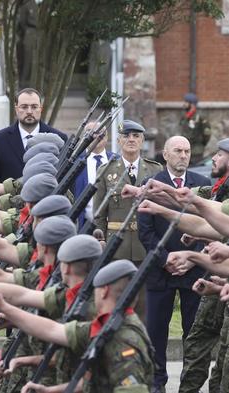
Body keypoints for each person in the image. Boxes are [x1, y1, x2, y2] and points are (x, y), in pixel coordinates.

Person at [0, 259, 155, 393]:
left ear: (104, 291)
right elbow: (52, 330)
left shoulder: (124, 342)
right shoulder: (108, 326)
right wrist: (50, 390)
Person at [137, 136, 210, 393]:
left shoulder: (202, 185)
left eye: (187, 151)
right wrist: (166, 258)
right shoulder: (152, 184)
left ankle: (189, 386)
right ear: (165, 155)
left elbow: (209, 228)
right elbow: (145, 232)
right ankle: (157, 384)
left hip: (193, 270)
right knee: (156, 332)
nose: (183, 155)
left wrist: (191, 259)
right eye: (177, 150)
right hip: (161, 270)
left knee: (193, 332)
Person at [93, 119, 162, 319]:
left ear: (142, 141)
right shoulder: (106, 170)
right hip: (117, 243)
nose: (131, 140)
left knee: (143, 301)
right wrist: (101, 239)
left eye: (136, 136)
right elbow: (99, 212)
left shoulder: (155, 170)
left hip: (145, 243)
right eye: (126, 136)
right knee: (116, 296)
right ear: (119, 141)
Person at [0, 88, 67, 183]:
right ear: (16, 109)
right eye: (24, 107)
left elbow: (66, 180)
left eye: (34, 107)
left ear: (41, 109)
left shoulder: (59, 139)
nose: (29, 111)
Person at [73, 122, 116, 228]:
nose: (97, 136)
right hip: (83, 226)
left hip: (112, 227)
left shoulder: (117, 160)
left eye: (101, 132)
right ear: (85, 137)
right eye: (92, 133)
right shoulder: (75, 163)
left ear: (107, 136)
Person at [180, 92, 210, 165]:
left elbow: (207, 133)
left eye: (186, 102)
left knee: (196, 169)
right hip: (185, 150)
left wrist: (201, 144)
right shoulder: (184, 116)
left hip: (196, 151)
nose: (184, 104)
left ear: (192, 104)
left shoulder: (200, 117)